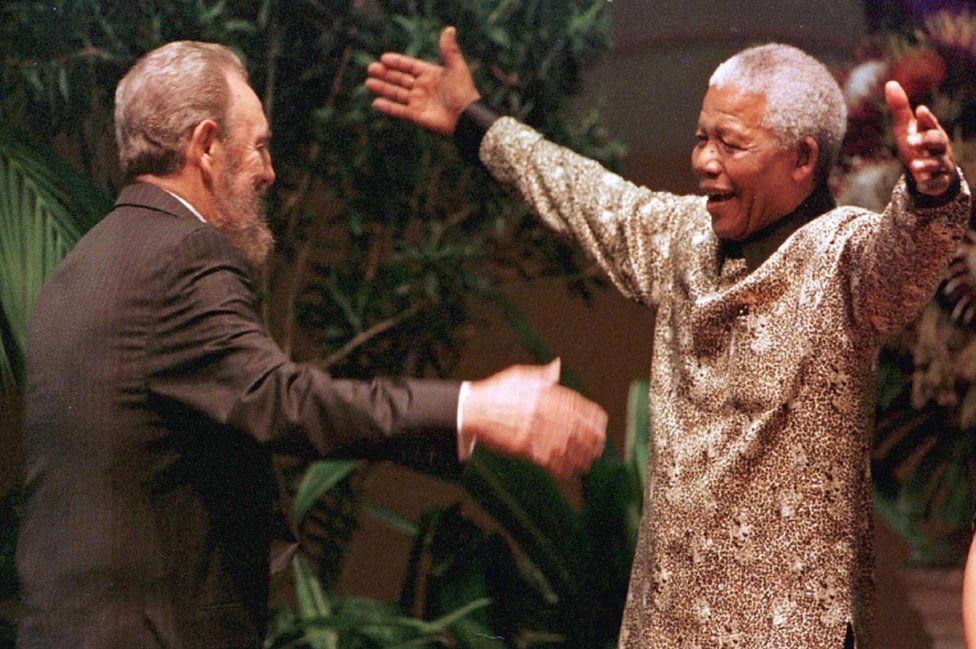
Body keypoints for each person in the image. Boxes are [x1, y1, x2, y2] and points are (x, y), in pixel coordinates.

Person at [365, 27, 972, 648]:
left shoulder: (844, 257)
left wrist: (930, 190)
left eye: (730, 143)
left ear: (802, 159)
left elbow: (904, 260)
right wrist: (475, 122)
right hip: (666, 628)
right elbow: (585, 193)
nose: (703, 160)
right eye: (700, 137)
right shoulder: (684, 240)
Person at [15, 40, 608, 649]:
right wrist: (475, 407)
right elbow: (281, 399)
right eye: (261, 147)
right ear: (207, 146)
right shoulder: (183, 254)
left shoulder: (82, 263)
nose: (271, 173)